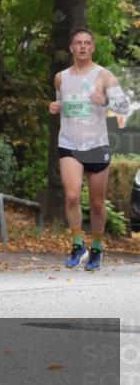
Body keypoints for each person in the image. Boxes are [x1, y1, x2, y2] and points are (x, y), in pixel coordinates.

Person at [48, 28, 129, 271]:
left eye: (87, 43)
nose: (82, 47)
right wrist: (56, 106)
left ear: (92, 47)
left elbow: (124, 106)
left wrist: (104, 101)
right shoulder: (61, 77)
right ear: (71, 48)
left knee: (96, 202)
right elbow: (66, 104)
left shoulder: (104, 76)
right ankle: (77, 244)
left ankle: (96, 247)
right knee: (72, 195)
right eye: (78, 43)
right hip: (69, 143)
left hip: (96, 144)